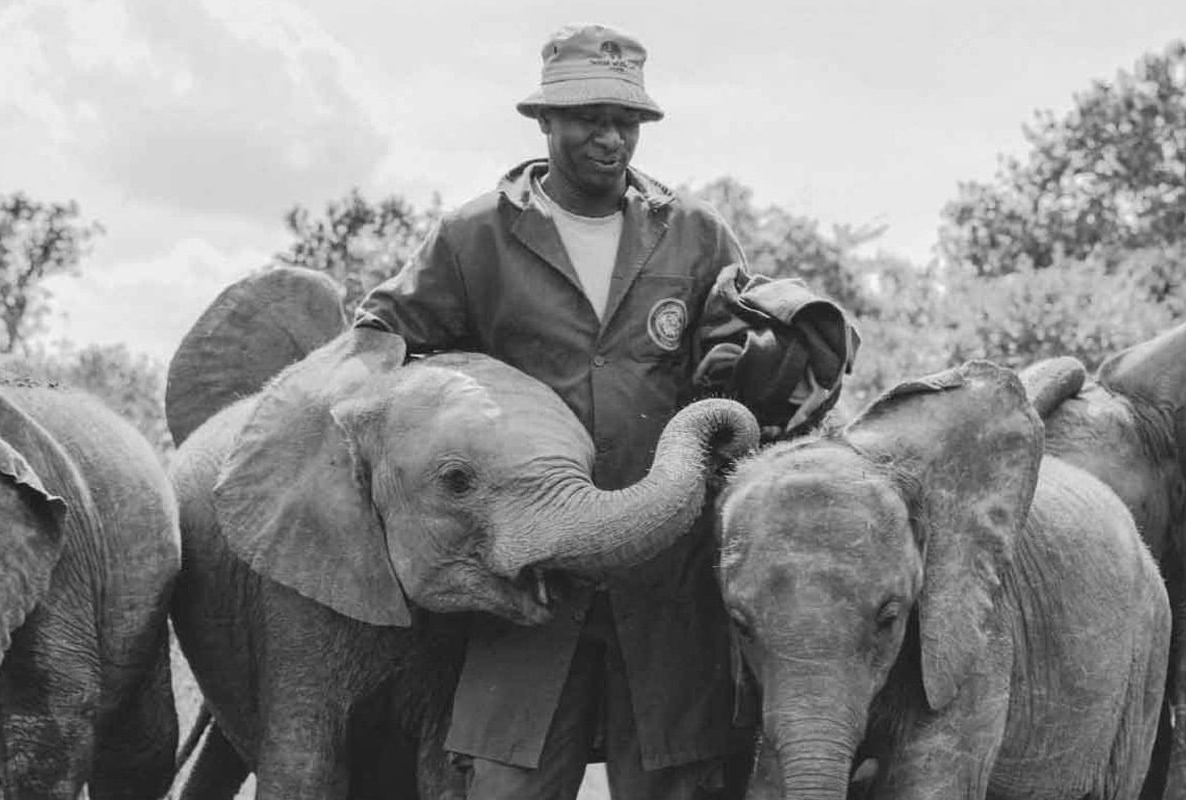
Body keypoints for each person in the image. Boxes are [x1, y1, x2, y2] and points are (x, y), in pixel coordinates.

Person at [353, 22, 859, 800]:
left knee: (678, 778)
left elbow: (738, 360)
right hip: (527, 576)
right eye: (590, 117)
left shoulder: (694, 235)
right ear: (544, 120)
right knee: (504, 781)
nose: (611, 137)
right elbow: (382, 335)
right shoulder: (474, 237)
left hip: (666, 574)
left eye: (626, 121)